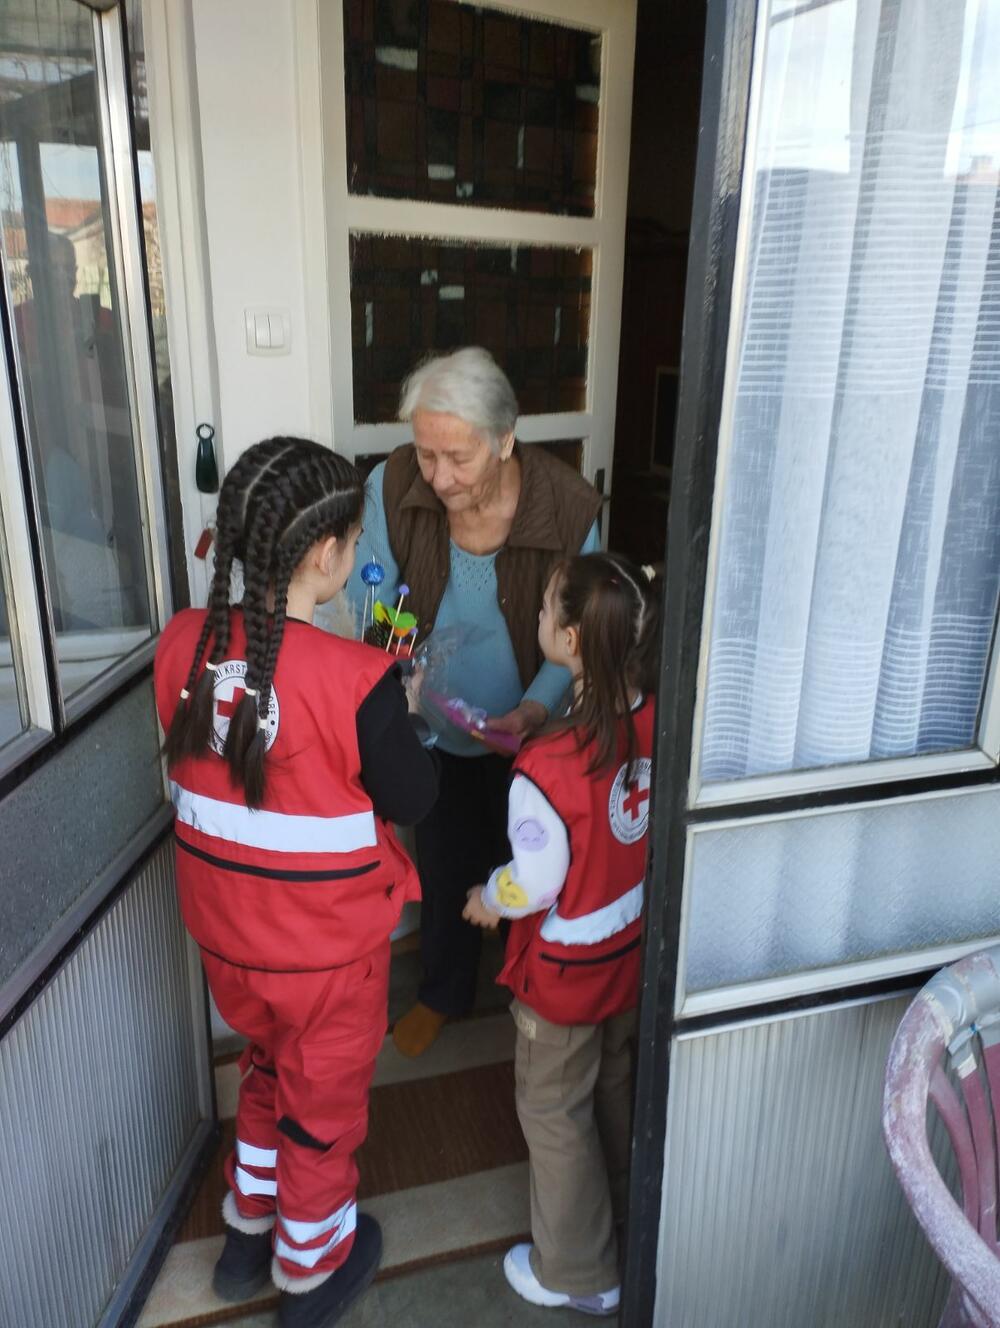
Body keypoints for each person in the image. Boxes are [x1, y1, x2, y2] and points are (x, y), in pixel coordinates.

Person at [154, 438, 437, 1328]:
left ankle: (247, 1233)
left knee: (266, 1068)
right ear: (326, 554)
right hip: (327, 962)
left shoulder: (181, 644)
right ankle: (312, 1273)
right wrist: (403, 712)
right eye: (354, 542)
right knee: (322, 1114)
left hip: (229, 945)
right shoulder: (359, 680)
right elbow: (414, 798)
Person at [347, 347, 603, 1057]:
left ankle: (531, 994)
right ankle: (443, 990)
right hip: (433, 726)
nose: (438, 476)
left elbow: (582, 628)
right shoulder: (393, 485)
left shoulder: (566, 506)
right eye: (426, 453)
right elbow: (370, 593)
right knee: (442, 857)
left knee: (534, 856)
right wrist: (397, 673)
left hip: (538, 732)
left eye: (457, 457)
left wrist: (534, 711)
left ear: (505, 439)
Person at [463, 552, 659, 1318]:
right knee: (612, 1083)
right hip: (628, 951)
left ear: (571, 640)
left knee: (553, 1112)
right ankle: (624, 1218)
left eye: (547, 608)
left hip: (566, 972)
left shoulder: (545, 767)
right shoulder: (654, 716)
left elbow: (536, 882)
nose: (539, 616)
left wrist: (490, 897)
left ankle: (581, 1272)